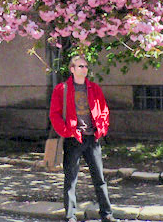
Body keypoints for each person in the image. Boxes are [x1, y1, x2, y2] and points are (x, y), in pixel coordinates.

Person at [49, 54, 116, 222]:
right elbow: (55, 115)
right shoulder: (61, 89)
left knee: (99, 178)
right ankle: (70, 216)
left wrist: (102, 128)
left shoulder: (94, 88)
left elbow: (104, 110)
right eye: (80, 66)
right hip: (73, 139)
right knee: (71, 179)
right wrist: (67, 132)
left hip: (92, 139)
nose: (84, 69)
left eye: (85, 66)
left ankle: (107, 214)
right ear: (72, 69)